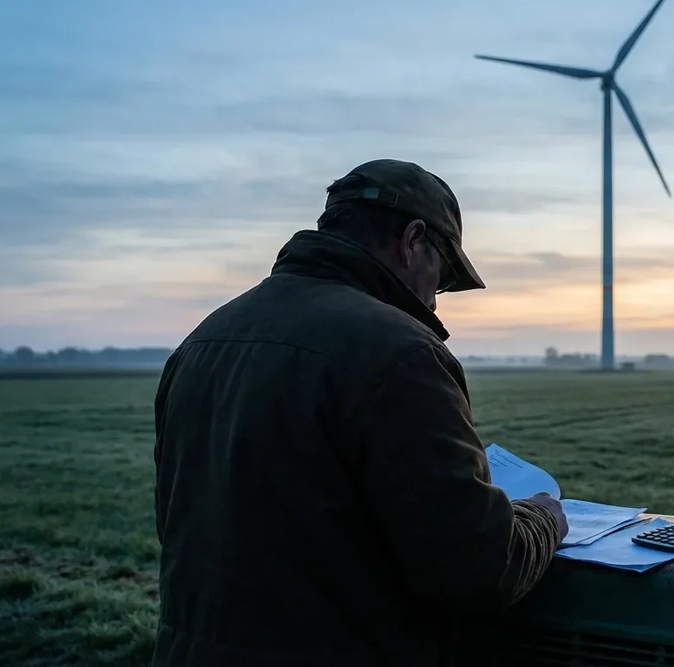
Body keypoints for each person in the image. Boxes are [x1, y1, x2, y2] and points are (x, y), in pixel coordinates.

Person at [151, 159, 569, 666]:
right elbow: (478, 566)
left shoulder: (203, 339)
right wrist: (543, 516)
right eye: (441, 274)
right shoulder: (400, 354)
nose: (435, 301)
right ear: (414, 240)